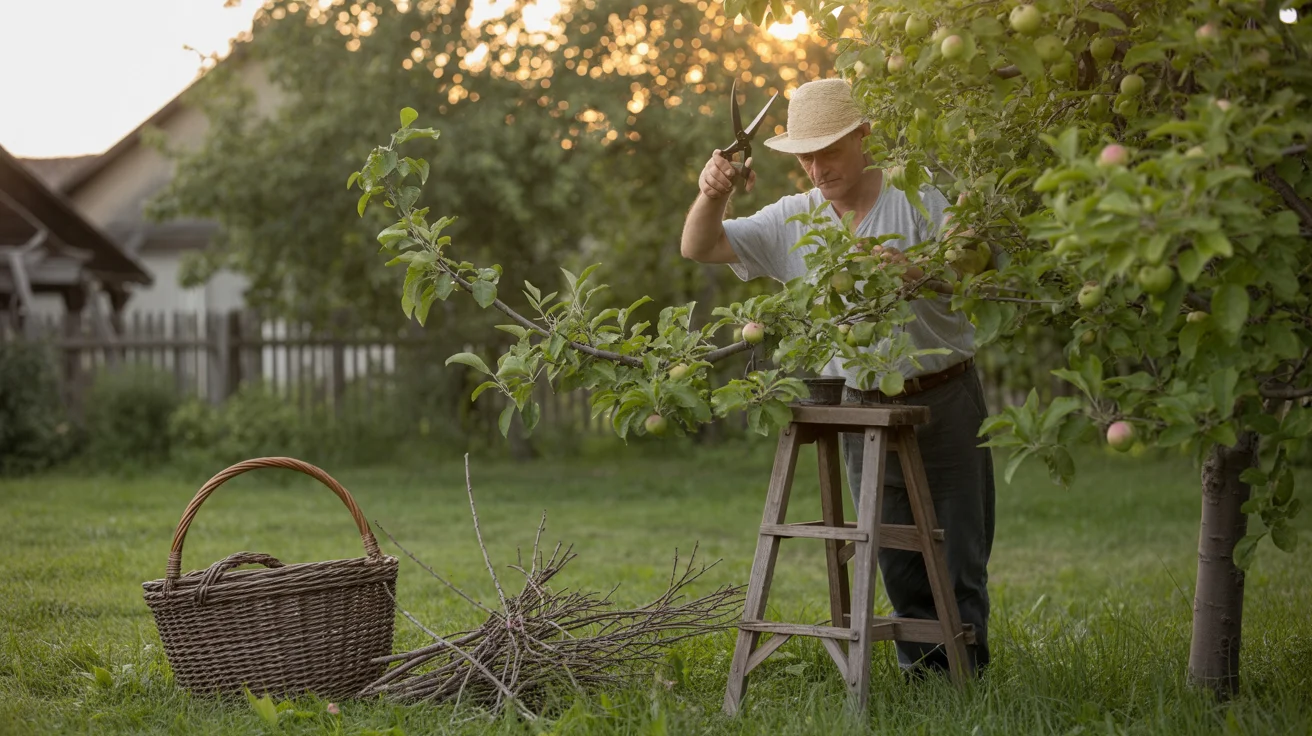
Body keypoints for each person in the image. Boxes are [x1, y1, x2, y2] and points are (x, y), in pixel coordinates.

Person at [679, 77, 996, 677]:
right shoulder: (794, 219)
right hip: (861, 407)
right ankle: (920, 679)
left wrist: (920, 270)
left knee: (957, 551)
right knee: (891, 553)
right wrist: (712, 191)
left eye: (829, 151)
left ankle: (967, 680)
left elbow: (975, 264)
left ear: (863, 136)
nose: (817, 167)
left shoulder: (919, 197)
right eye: (806, 155)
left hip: (942, 397)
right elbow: (700, 245)